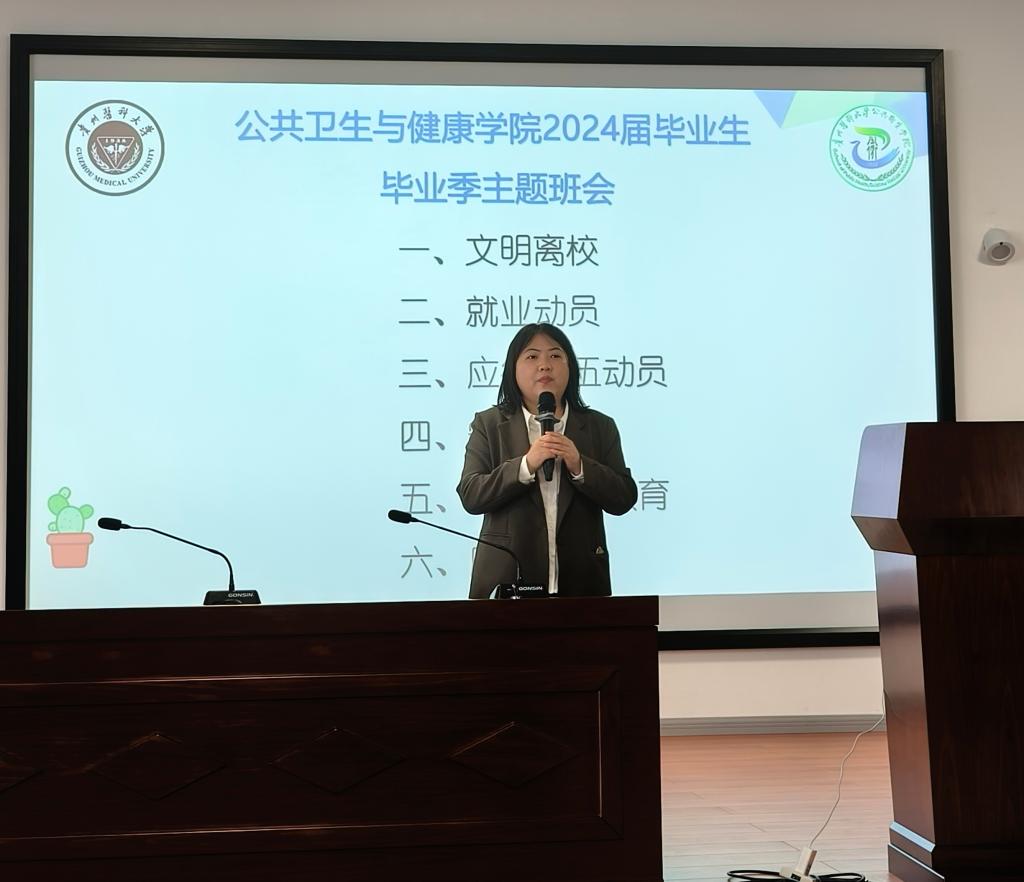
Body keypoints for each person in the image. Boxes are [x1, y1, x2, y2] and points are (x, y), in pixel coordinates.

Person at [457, 323, 637, 598]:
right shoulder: (489, 424)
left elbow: (624, 497)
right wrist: (526, 465)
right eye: (532, 356)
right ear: (512, 369)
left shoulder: (599, 426)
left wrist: (580, 466)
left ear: (570, 367)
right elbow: (471, 494)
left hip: (583, 585)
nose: (544, 365)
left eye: (555, 355)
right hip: (507, 584)